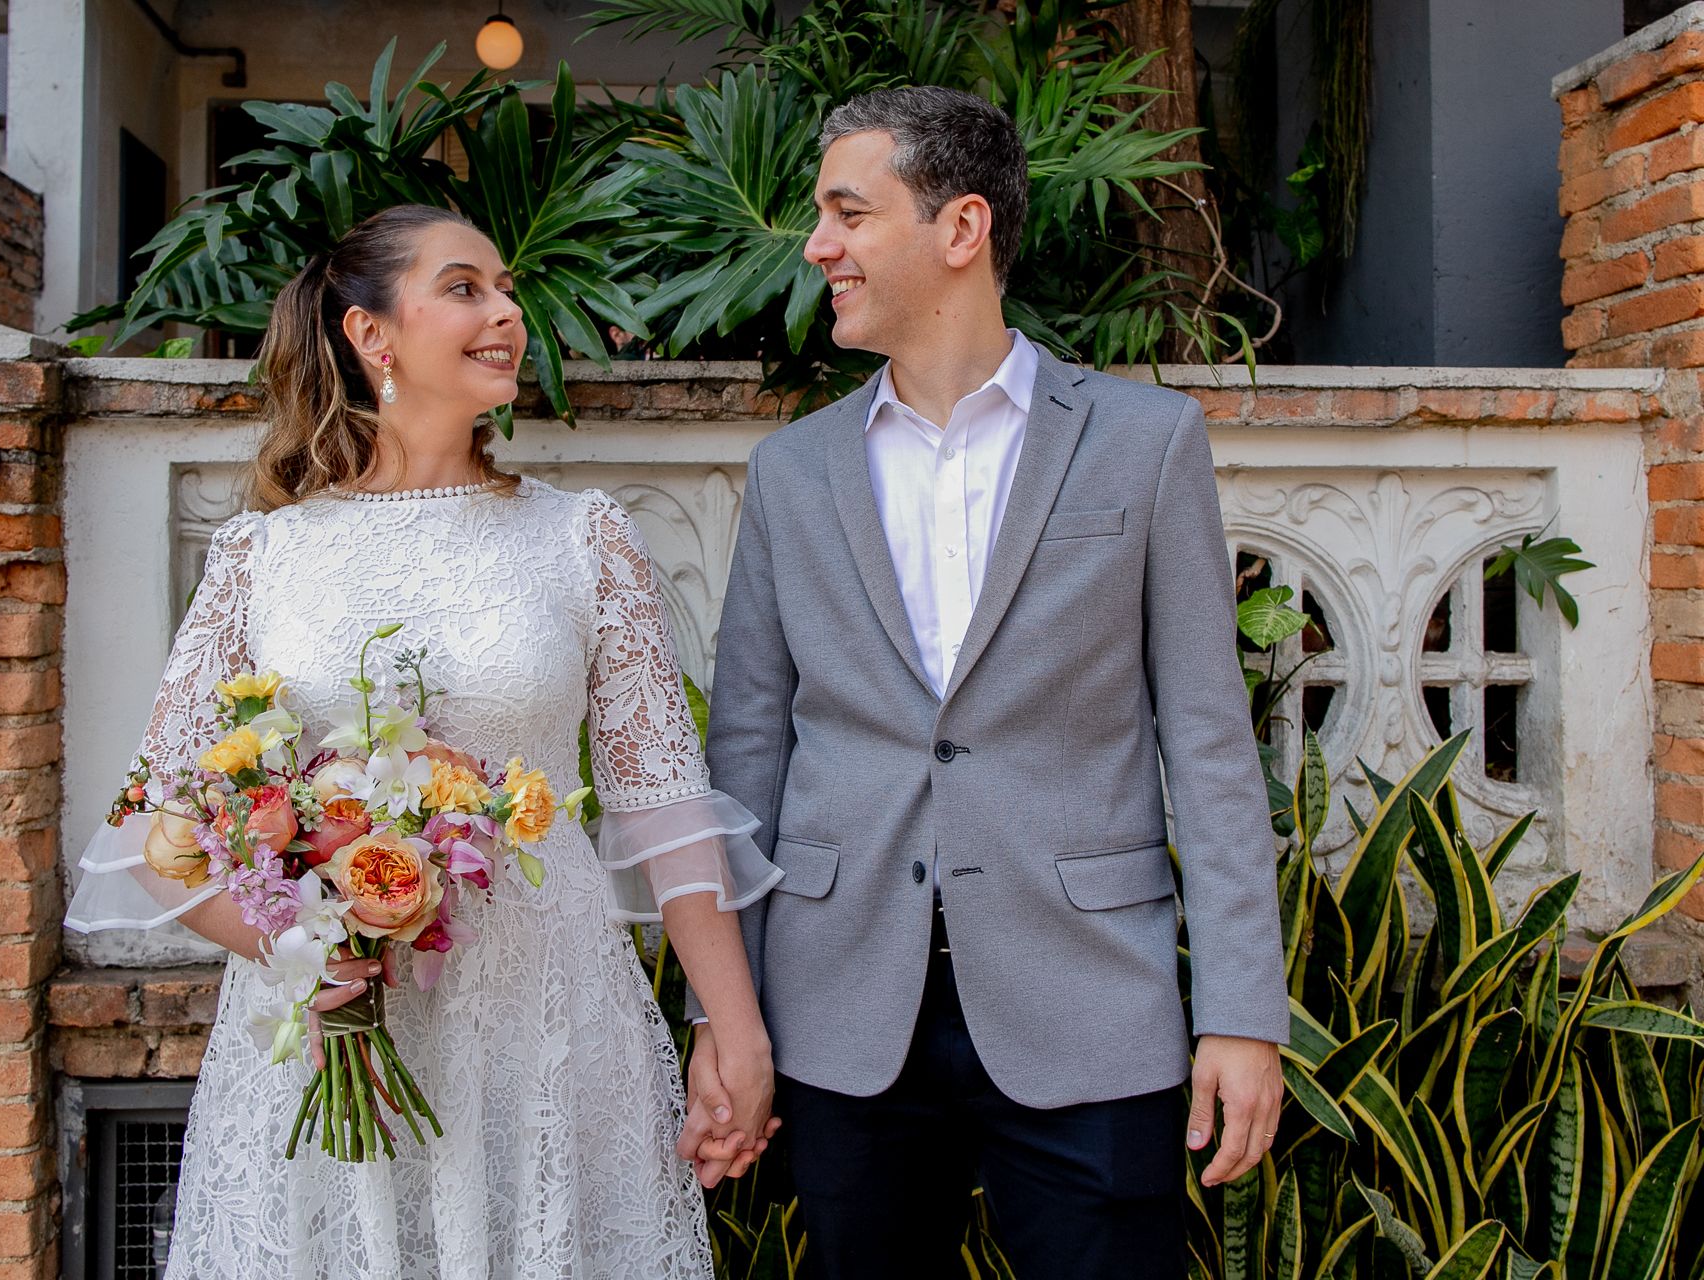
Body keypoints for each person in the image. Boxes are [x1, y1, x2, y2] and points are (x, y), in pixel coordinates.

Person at [64, 204, 780, 1279]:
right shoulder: (263, 555)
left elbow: (663, 799)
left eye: (504, 290)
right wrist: (308, 948)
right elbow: (154, 826)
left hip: (544, 1020)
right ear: (371, 334)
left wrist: (736, 1030)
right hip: (326, 1033)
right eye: (464, 287)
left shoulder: (586, 539)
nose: (506, 313)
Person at [678, 87, 1290, 1279]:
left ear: (960, 229)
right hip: (843, 1009)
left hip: (1088, 1006)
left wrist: (1240, 1012)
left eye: (848, 212)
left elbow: (1210, 743)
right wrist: (722, 1014)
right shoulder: (794, 472)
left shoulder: (1144, 442)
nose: (817, 246)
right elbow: (745, 754)